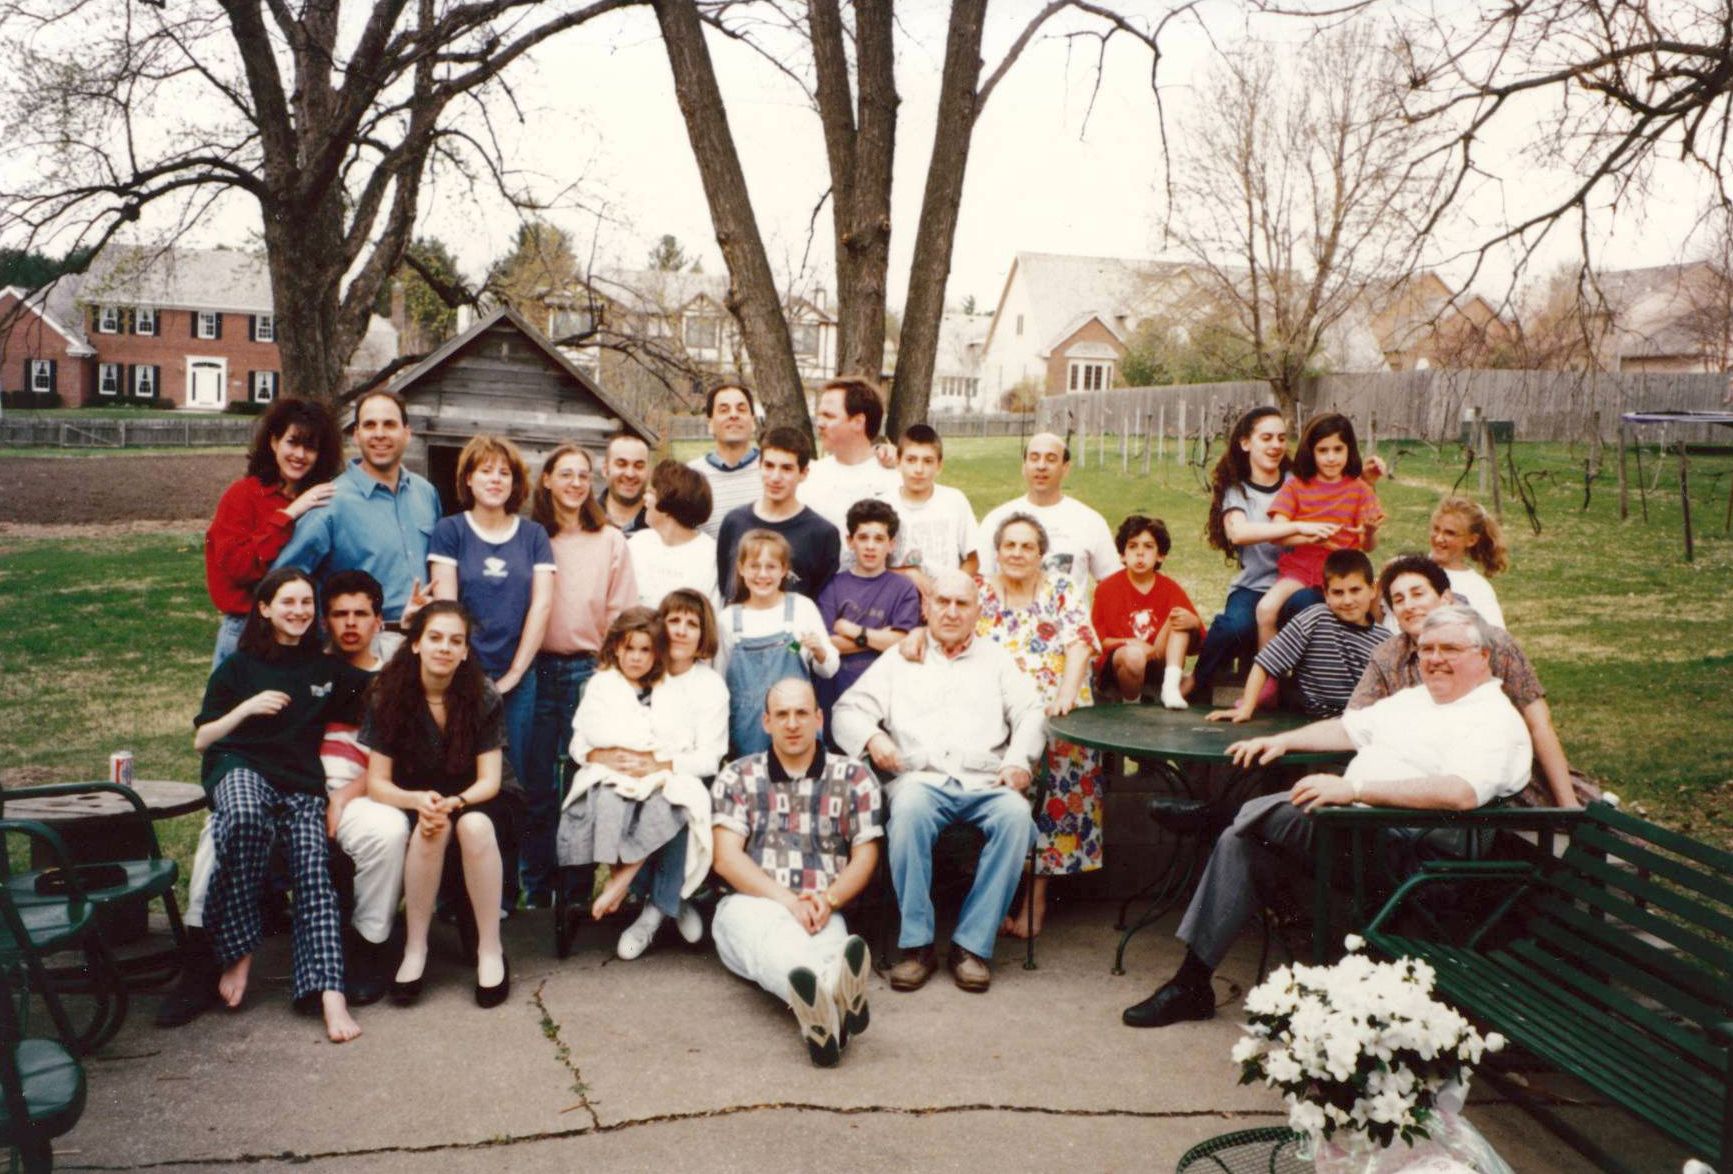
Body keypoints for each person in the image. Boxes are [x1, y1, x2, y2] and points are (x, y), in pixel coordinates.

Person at [1123, 605, 1533, 1028]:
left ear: (1483, 656)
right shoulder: (1416, 700)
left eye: (1450, 649)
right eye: (1427, 649)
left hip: (1419, 856)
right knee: (1241, 841)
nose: (1435, 659)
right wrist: (1282, 741)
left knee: (1284, 815)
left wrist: (1355, 791)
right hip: (1362, 834)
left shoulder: (1492, 719)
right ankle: (1192, 983)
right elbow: (1346, 730)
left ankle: (1216, 816)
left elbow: (1461, 792)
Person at [162, 570, 409, 1027]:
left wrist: (413, 640)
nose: (300, 611)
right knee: (227, 829)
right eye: (289, 602)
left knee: (359, 845)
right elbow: (204, 737)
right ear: (265, 608)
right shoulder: (243, 666)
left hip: (310, 787)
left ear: (378, 620)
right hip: (249, 775)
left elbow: (387, 695)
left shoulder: (328, 672)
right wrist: (247, 708)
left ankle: (353, 961)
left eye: (305, 603)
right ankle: (207, 959)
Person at [832, 569, 1045, 994]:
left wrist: (1018, 760)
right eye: (942, 602)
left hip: (985, 780)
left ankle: (971, 946)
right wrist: (873, 737)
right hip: (920, 778)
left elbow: (1031, 711)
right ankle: (918, 945)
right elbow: (846, 710)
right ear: (926, 608)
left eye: (961, 604)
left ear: (977, 613)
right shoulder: (900, 659)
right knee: (909, 810)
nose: (951, 611)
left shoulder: (996, 659)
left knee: (1016, 817)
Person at [711, 678, 880, 1067]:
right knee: (777, 944)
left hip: (821, 909)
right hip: (753, 905)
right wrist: (789, 902)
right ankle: (833, 993)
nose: (792, 723)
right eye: (782, 714)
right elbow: (726, 858)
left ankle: (822, 1020)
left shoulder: (854, 777)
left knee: (829, 944)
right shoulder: (738, 776)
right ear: (766, 721)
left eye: (802, 713)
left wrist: (829, 899)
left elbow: (865, 854)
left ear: (819, 719)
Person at [363, 601, 514, 1009]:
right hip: (417, 795)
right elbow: (377, 783)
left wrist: (457, 801)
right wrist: (416, 800)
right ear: (415, 643)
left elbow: (490, 780)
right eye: (435, 638)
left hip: (478, 796)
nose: (444, 647)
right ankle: (415, 949)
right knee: (433, 826)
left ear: (465, 651)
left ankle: (490, 949)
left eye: (455, 640)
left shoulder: (482, 694)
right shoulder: (387, 694)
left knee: (472, 826)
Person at [573, 590, 730, 959]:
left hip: (679, 773)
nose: (681, 630)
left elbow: (710, 757)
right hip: (624, 774)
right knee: (627, 798)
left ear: (703, 634)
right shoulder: (638, 670)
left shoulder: (709, 685)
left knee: (676, 798)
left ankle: (654, 911)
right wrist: (599, 754)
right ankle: (672, 897)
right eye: (673, 620)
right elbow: (583, 736)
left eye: (692, 624)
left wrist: (662, 766)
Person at [1351, 554, 1576, 808]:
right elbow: (1354, 720)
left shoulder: (1493, 643)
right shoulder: (1387, 656)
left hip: (1499, 778)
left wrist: (1568, 806)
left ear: (1446, 598)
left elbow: (1539, 724)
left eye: (1418, 594)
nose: (1409, 606)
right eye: (1399, 600)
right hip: (1424, 787)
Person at [972, 514, 1102, 939]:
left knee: (1058, 786)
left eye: (1027, 546)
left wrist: (1066, 694)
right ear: (997, 551)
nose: (1017, 553)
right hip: (992, 714)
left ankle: (1035, 898)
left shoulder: (1059, 588)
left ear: (1041, 554)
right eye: (1009, 545)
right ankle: (994, 895)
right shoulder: (979, 591)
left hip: (1053, 708)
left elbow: (1080, 643)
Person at [427, 435, 555, 859]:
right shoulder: (450, 531)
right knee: (457, 775)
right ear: (468, 478)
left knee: (510, 782)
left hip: (517, 679)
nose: (495, 479)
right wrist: (468, 678)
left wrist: (514, 674)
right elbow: (447, 608)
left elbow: (542, 605)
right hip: (460, 677)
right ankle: (456, 881)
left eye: (504, 472)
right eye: (485, 470)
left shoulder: (533, 535)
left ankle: (505, 883)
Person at [523, 442, 637, 908]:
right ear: (547, 479)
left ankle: (574, 890)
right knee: (535, 783)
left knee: (581, 782)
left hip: (587, 671)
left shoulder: (609, 539)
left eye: (583, 475)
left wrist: (609, 674)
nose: (574, 483)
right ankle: (536, 888)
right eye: (565, 474)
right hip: (534, 669)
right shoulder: (530, 537)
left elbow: (621, 613)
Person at [1189, 407, 1340, 703]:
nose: (1276, 445)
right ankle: (1197, 681)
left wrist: (1368, 479)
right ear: (1246, 443)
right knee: (1234, 627)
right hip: (1254, 586)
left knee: (1310, 606)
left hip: (1297, 584)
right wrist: (1297, 526)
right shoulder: (1237, 490)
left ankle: (1300, 689)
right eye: (1266, 438)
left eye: (1281, 438)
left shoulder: (1299, 482)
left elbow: (1340, 493)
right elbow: (1238, 533)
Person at [273, 390, 442, 624]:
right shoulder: (330, 501)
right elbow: (284, 580)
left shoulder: (425, 493)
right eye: (370, 425)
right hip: (359, 638)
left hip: (422, 634)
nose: (379, 434)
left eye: (389, 424)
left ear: (407, 433)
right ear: (356, 435)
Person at [205, 397, 344, 666]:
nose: (300, 455)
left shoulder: (322, 500)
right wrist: (288, 514)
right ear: (274, 442)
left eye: (310, 447)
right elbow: (238, 567)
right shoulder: (243, 495)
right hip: (249, 628)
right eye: (292, 442)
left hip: (303, 630)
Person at [1210, 549, 1390, 723]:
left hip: (1357, 722)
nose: (1347, 600)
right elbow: (1264, 663)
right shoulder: (1315, 618)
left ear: (1372, 590)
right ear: (1326, 594)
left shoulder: (1384, 641)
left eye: (1355, 590)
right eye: (1338, 592)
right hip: (1305, 718)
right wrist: (1246, 707)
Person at [1255, 412, 1384, 647]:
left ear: (1349, 450)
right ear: (1311, 452)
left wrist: (1369, 532)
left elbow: (1369, 547)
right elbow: (1277, 534)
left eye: (1338, 449)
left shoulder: (1360, 489)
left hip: (1344, 573)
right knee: (1265, 609)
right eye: (1323, 450)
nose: (1331, 458)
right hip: (1300, 570)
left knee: (1368, 613)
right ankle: (1269, 667)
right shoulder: (1295, 487)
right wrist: (1310, 537)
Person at [716, 531, 839, 756]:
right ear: (741, 568)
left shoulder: (801, 608)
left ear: (784, 570)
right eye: (754, 566)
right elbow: (718, 680)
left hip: (797, 727)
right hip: (747, 731)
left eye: (771, 566)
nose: (762, 574)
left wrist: (820, 651)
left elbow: (829, 669)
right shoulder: (728, 619)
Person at [815, 499, 922, 714]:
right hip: (837, 694)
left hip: (887, 698)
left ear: (891, 544)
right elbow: (826, 644)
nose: (870, 546)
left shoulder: (903, 588)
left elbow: (903, 642)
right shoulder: (833, 586)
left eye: (879, 539)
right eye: (863, 537)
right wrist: (881, 638)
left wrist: (854, 631)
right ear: (850, 541)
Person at [975, 432, 1119, 589]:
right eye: (1034, 458)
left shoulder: (1090, 521)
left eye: (1051, 459)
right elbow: (981, 583)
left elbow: (1114, 585)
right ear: (1024, 466)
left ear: (1065, 468)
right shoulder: (996, 519)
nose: (1041, 466)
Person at [1091, 515, 1206, 710]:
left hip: (1158, 662)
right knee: (1134, 655)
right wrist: (1131, 642)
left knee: (1179, 617)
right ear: (1122, 554)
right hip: (1121, 667)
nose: (1140, 553)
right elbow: (1097, 642)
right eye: (1132, 546)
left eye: (1148, 547)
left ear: (1160, 555)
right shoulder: (1106, 589)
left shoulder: (1171, 589)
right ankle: (1131, 705)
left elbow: (1199, 643)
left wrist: (1194, 622)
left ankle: (1170, 688)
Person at [714, 426, 840, 601]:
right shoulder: (734, 522)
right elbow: (725, 589)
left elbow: (822, 602)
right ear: (759, 466)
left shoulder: (822, 534)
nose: (775, 477)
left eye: (786, 468)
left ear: (803, 473)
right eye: (769, 466)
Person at [886, 423, 979, 609]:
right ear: (898, 462)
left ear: (939, 465)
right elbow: (869, 566)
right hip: (895, 602)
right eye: (911, 460)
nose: (919, 469)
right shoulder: (884, 504)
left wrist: (947, 592)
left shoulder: (954, 500)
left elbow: (973, 560)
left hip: (946, 602)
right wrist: (908, 574)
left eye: (928, 461)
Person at [801, 376, 901, 543]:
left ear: (858, 422)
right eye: (819, 415)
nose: (819, 423)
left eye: (828, 416)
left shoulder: (894, 480)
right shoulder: (809, 477)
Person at [628, 459, 720, 609]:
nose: (645, 498)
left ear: (668, 501)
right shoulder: (637, 543)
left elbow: (711, 613)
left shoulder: (710, 555)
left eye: (651, 492)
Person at [688, 383, 761, 540]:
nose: (733, 415)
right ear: (710, 424)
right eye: (724, 410)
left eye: (741, 409)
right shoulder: (691, 476)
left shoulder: (774, 471)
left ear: (753, 421)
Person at [1427, 496, 1508, 628]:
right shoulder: (1408, 568)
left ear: (1471, 540)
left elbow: (1496, 637)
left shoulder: (1476, 588)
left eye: (1450, 533)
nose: (1439, 539)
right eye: (1436, 529)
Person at [600, 431, 651, 534]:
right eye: (621, 464)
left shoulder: (663, 524)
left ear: (648, 472)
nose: (630, 474)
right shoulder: (585, 518)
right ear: (605, 470)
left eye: (639, 466)